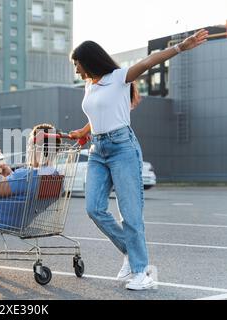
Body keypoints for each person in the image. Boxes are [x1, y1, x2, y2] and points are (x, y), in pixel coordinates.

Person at [68, 30, 209, 290]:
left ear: (88, 61)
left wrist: (180, 48)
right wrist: (84, 131)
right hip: (98, 151)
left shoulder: (119, 77)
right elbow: (97, 113)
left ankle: (142, 272)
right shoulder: (90, 85)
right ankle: (131, 254)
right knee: (94, 209)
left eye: (77, 64)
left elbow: (148, 62)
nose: (76, 70)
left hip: (123, 148)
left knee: (130, 215)